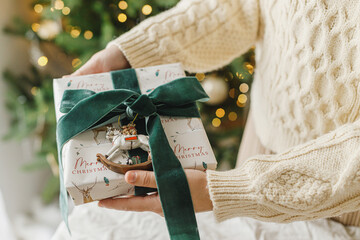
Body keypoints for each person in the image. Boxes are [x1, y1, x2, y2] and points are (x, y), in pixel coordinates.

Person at [72, 0, 360, 226]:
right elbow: (236, 6)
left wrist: (233, 190)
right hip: (262, 145)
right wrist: (134, 52)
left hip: (348, 196)